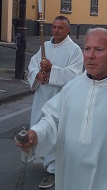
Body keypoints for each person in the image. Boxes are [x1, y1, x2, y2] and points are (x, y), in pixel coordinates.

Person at [17, 28, 107, 190]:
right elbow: (52, 121)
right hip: (71, 175)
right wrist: (36, 134)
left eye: (99, 50)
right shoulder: (71, 88)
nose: (91, 55)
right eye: (87, 49)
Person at [27, 15, 83, 188]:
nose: (56, 30)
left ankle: (53, 170)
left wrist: (52, 71)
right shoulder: (45, 46)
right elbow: (33, 64)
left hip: (60, 96)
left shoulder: (74, 50)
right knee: (40, 126)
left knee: (55, 130)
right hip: (42, 94)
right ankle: (47, 160)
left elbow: (75, 75)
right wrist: (37, 74)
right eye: (54, 27)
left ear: (68, 30)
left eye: (60, 27)